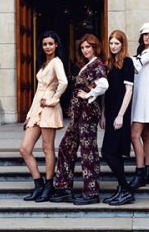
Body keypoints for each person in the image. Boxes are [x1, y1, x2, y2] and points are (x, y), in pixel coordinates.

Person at [50, 34, 108, 205]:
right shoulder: (88, 65)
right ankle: (63, 187)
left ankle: (91, 192)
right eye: (83, 48)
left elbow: (104, 84)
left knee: (88, 153)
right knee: (66, 147)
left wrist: (90, 94)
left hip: (87, 114)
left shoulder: (97, 64)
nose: (85, 50)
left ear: (95, 47)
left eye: (88, 47)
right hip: (78, 116)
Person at [20, 31, 68, 202]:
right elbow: (38, 91)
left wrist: (53, 100)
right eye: (45, 44)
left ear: (56, 45)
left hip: (48, 107)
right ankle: (38, 184)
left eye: (50, 43)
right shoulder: (44, 64)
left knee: (48, 148)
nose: (47, 46)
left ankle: (49, 186)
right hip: (36, 108)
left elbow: (64, 82)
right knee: (25, 149)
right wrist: (29, 115)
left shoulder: (56, 62)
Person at [100, 30, 135, 206]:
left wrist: (120, 115)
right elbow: (106, 91)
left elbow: (129, 91)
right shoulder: (109, 63)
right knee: (113, 152)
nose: (113, 46)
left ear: (123, 45)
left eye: (117, 43)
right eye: (111, 43)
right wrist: (104, 113)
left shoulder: (127, 62)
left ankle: (125, 188)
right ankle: (123, 190)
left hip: (121, 112)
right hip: (111, 111)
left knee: (107, 151)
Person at [129, 22, 149, 189]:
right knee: (145, 136)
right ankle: (148, 171)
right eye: (145, 35)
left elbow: (135, 64)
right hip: (138, 96)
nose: (147, 37)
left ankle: (140, 171)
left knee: (135, 135)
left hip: (144, 98)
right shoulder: (142, 52)